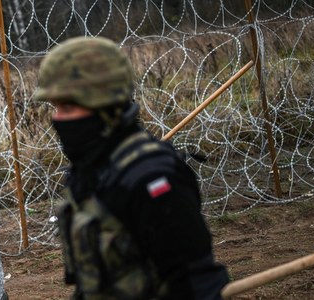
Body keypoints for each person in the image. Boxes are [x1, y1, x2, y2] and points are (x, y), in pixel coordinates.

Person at [33, 37, 230, 299]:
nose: (57, 119)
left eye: (68, 107)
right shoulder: (93, 170)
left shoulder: (151, 177)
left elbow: (196, 285)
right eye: (55, 107)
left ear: (104, 104)